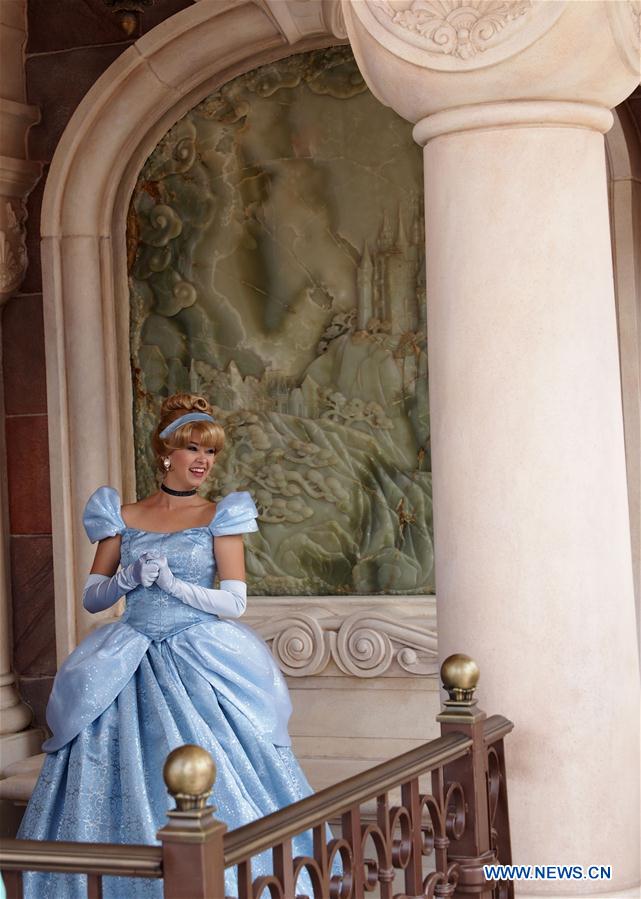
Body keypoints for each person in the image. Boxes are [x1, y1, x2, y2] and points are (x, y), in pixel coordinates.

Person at [17, 393, 316, 897]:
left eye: (211, 452)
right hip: (128, 655)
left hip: (199, 653)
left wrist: (178, 589)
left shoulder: (221, 515)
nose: (203, 461)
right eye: (193, 449)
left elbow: (235, 602)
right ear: (166, 453)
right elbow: (92, 598)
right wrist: (127, 578)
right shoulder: (123, 515)